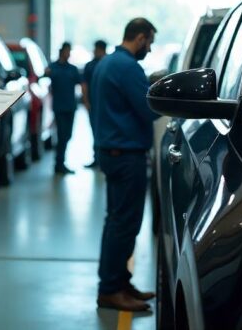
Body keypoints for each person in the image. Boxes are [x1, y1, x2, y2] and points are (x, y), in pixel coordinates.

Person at [91, 18, 159, 313]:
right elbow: (148, 109)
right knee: (125, 224)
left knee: (116, 222)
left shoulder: (107, 63)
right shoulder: (128, 67)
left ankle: (119, 282)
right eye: (150, 42)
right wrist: (160, 93)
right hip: (126, 155)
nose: (150, 48)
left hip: (112, 151)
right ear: (141, 37)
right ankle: (110, 290)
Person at [46, 42, 82, 175]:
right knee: (61, 135)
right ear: (62, 52)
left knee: (67, 135)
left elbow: (81, 83)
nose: (69, 54)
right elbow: (45, 78)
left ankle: (60, 162)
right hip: (59, 107)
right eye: (67, 51)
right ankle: (59, 164)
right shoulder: (52, 67)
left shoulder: (72, 69)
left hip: (70, 107)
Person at [81, 39, 107, 169]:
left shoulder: (108, 64)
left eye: (96, 50)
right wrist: (86, 102)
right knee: (95, 131)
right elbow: (84, 85)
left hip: (106, 106)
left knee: (105, 131)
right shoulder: (90, 65)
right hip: (94, 105)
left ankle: (103, 158)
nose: (94, 52)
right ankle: (96, 158)